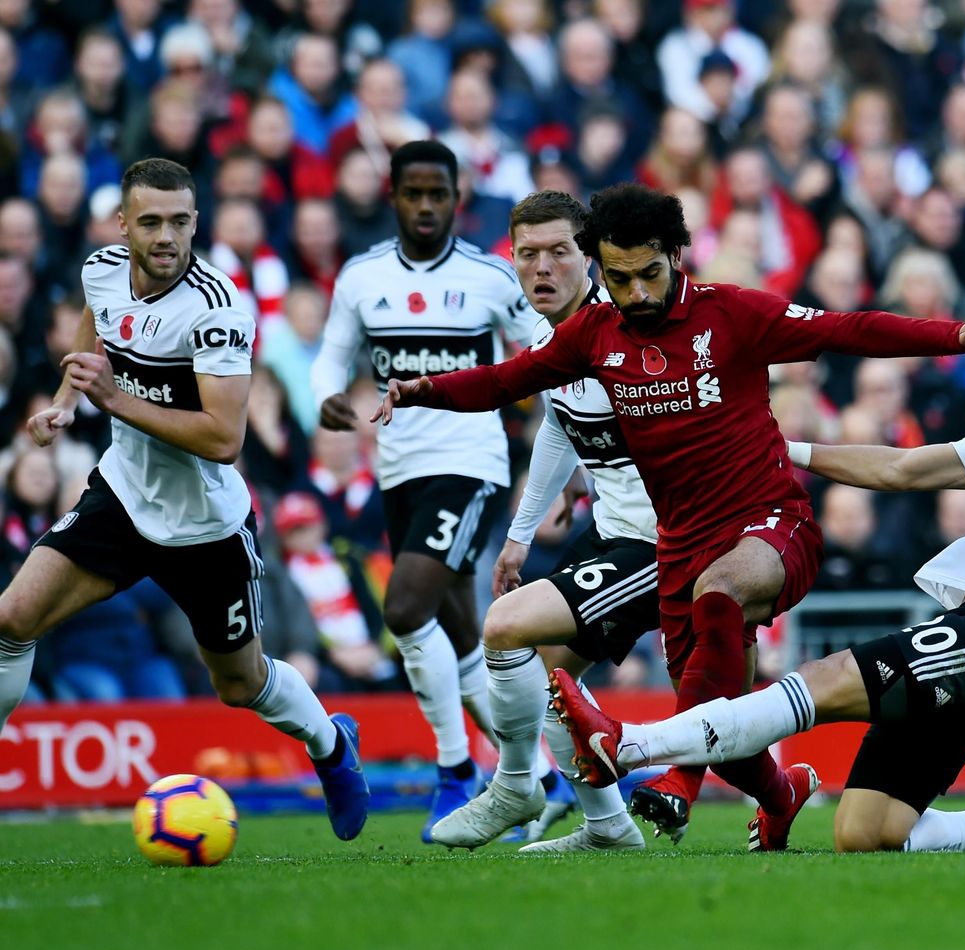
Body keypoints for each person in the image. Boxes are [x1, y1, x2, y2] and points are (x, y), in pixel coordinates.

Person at [374, 182, 965, 846]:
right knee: (719, 717)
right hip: (681, 544)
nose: (639, 293)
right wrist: (423, 389)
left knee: (721, 595)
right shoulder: (593, 335)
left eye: (650, 273)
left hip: (772, 521)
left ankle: (675, 780)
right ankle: (780, 792)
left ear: (675, 256)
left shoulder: (730, 313)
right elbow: (508, 380)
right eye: (619, 279)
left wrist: (954, 336)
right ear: (600, 269)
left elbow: (842, 327)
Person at [548, 304, 965, 853]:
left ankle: (629, 745)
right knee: (865, 834)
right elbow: (902, 469)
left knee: (826, 679)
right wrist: (784, 449)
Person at [0, 157, 369, 840]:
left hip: (205, 525)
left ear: (196, 222)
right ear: (123, 224)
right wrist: (65, 399)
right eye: (151, 222)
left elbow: (223, 437)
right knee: (11, 619)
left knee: (241, 684)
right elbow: (96, 325)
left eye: (179, 221)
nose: (166, 236)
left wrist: (115, 398)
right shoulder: (102, 270)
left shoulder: (219, 307)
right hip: (124, 495)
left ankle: (330, 744)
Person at [311, 139, 537, 842]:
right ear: (393, 197)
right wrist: (327, 400)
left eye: (439, 193)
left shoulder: (491, 277)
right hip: (400, 470)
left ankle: (455, 771)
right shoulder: (361, 277)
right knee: (463, 635)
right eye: (414, 193)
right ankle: (546, 774)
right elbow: (329, 362)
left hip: (473, 464)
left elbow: (548, 355)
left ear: (457, 198)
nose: (427, 206)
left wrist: (566, 465)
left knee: (406, 607)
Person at [430, 190, 655, 852]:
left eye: (559, 252)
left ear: (590, 256)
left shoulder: (632, 327)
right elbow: (560, 429)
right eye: (527, 255)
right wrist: (520, 535)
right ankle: (608, 825)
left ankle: (516, 783)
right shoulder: (545, 335)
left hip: (666, 540)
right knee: (551, 675)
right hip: (614, 528)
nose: (542, 268)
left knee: (507, 632)